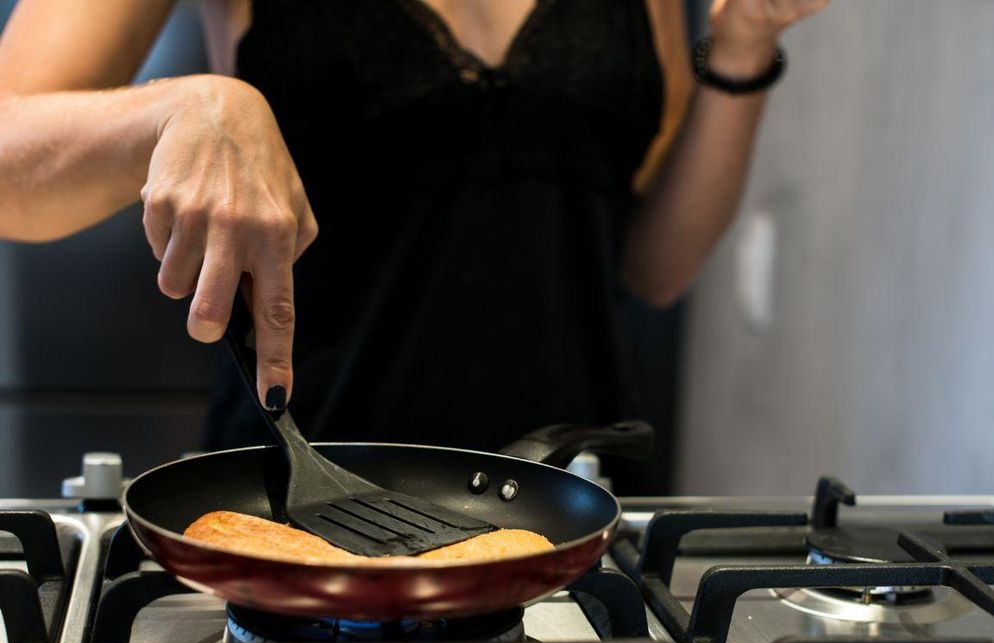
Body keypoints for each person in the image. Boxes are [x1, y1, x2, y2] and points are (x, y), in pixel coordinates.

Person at [0, 0, 829, 484]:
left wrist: (743, 46)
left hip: (567, 512)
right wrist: (182, 108)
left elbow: (651, 266)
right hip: (299, 513)